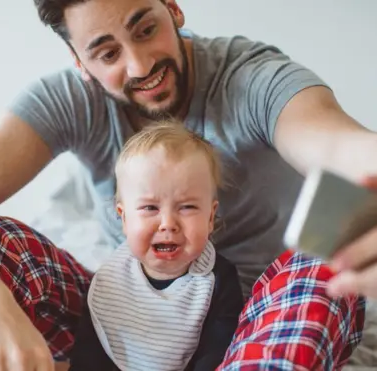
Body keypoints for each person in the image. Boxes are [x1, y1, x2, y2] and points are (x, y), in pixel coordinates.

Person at [0, 0, 377, 370]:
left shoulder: (253, 79)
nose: (140, 63)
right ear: (81, 64)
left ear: (173, 8)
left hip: (259, 314)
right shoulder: (67, 102)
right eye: (106, 52)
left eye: (145, 27)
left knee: (326, 256)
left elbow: (353, 149)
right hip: (128, 310)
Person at [67, 123, 245, 371]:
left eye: (187, 207)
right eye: (150, 208)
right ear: (125, 218)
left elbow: (219, 353)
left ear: (210, 217)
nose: (168, 224)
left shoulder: (219, 280)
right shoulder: (110, 280)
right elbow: (88, 358)